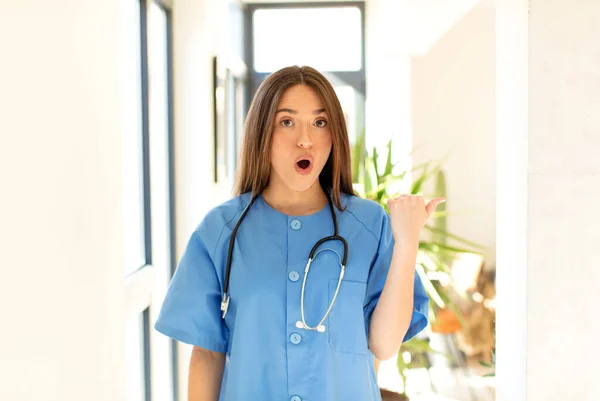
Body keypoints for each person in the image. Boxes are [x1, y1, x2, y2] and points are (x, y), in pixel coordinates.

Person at [154, 65, 444, 401]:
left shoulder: (371, 225)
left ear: (333, 134)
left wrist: (407, 242)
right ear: (262, 132)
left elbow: (383, 344)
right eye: (287, 121)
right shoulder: (221, 231)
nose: (305, 139)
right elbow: (207, 354)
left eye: (319, 123)